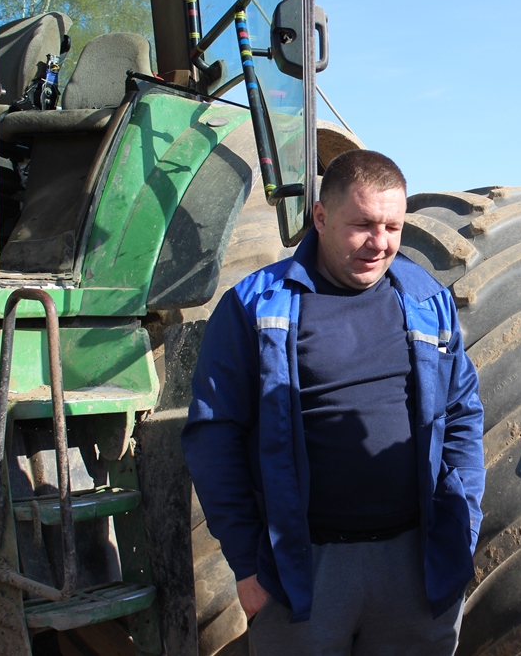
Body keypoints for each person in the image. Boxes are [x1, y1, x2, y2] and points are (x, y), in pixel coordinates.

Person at [181, 149, 485, 655]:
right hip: (304, 573)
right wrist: (248, 565)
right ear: (320, 217)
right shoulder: (256, 305)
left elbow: (461, 416)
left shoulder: (427, 301)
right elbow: (214, 436)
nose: (380, 243)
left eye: (393, 227)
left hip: (414, 567)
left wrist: (464, 525)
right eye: (363, 224)